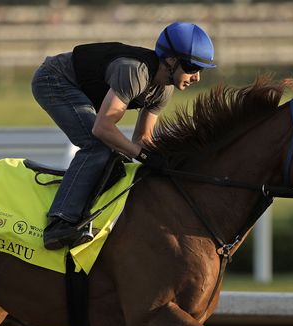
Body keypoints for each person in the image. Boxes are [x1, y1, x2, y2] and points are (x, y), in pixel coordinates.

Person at [31, 22, 216, 250]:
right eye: (191, 67)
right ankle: (59, 223)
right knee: (98, 146)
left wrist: (166, 161)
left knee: (116, 159)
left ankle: (91, 219)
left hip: (79, 89)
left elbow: (142, 140)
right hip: (54, 79)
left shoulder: (163, 91)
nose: (196, 77)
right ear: (170, 60)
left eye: (201, 70)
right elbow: (102, 128)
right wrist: (143, 156)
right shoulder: (134, 71)